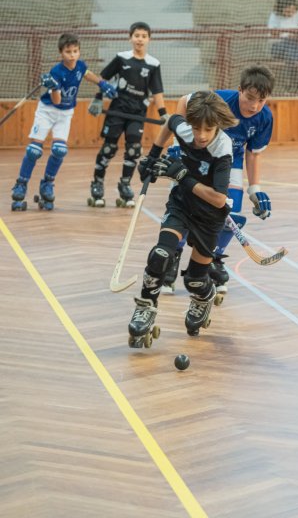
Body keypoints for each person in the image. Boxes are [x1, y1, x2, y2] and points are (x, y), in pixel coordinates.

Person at [128, 91, 239, 344]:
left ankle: (203, 297)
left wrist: (183, 178)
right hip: (181, 205)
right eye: (196, 128)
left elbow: (219, 198)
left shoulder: (222, 148)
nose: (200, 135)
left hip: (210, 215)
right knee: (161, 254)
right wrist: (153, 155)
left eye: (208, 130)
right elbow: (169, 122)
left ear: (217, 127)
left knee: (195, 281)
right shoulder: (186, 128)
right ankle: (146, 306)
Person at [160, 65, 275, 295]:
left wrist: (254, 189)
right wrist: (179, 142)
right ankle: (173, 256)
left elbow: (253, 154)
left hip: (229, 163)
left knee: (230, 214)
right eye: (250, 98)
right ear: (240, 90)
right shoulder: (220, 100)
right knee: (182, 209)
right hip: (195, 158)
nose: (254, 106)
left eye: (261, 100)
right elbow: (184, 101)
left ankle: (212, 257)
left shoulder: (264, 117)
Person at [11, 32, 117, 212]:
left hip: (66, 113)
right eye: (68, 52)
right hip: (48, 111)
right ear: (61, 53)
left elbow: (86, 73)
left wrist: (102, 84)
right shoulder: (56, 72)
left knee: (60, 150)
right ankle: (21, 184)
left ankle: (47, 184)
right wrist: (53, 87)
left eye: (76, 51)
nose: (73, 55)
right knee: (34, 150)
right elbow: (57, 101)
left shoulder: (80, 65)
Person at [87, 21, 167, 208]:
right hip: (117, 110)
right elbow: (103, 78)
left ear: (149, 39)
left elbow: (157, 92)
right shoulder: (121, 58)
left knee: (133, 150)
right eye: (137, 35)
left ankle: (125, 185)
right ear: (130, 37)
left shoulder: (154, 64)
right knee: (108, 148)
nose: (140, 39)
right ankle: (97, 184)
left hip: (137, 113)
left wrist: (164, 114)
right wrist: (98, 98)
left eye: (143, 36)